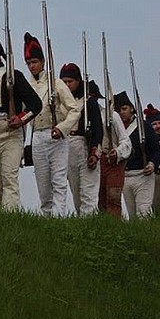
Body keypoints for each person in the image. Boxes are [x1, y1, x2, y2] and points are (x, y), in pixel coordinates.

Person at [0, 34, 43, 211]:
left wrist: (20, 119)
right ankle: (2, 218)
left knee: (9, 180)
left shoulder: (12, 76)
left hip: (10, 135)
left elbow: (35, 105)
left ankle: (11, 218)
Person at [24, 33, 80, 216]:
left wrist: (63, 128)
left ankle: (59, 218)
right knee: (43, 185)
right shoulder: (27, 86)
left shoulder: (56, 83)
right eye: (29, 63)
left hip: (56, 136)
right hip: (38, 137)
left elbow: (74, 110)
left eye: (34, 62)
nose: (32, 66)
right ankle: (47, 219)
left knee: (59, 182)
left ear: (42, 62)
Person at [60, 63, 104, 217]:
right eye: (63, 82)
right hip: (66, 147)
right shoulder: (60, 102)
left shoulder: (89, 102)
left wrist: (94, 153)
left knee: (88, 193)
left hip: (83, 146)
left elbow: (98, 130)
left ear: (78, 81)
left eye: (70, 81)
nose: (67, 85)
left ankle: (90, 223)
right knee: (76, 193)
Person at [116, 92, 160, 220]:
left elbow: (157, 151)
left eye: (124, 109)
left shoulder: (143, 126)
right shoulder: (116, 129)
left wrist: (152, 164)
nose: (122, 113)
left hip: (143, 175)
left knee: (144, 213)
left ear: (131, 108)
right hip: (125, 176)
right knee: (132, 215)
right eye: (119, 110)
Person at [97, 88, 132, 220]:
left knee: (113, 197)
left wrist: (117, 152)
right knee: (100, 199)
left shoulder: (112, 115)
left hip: (113, 163)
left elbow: (126, 142)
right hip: (97, 162)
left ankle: (115, 226)